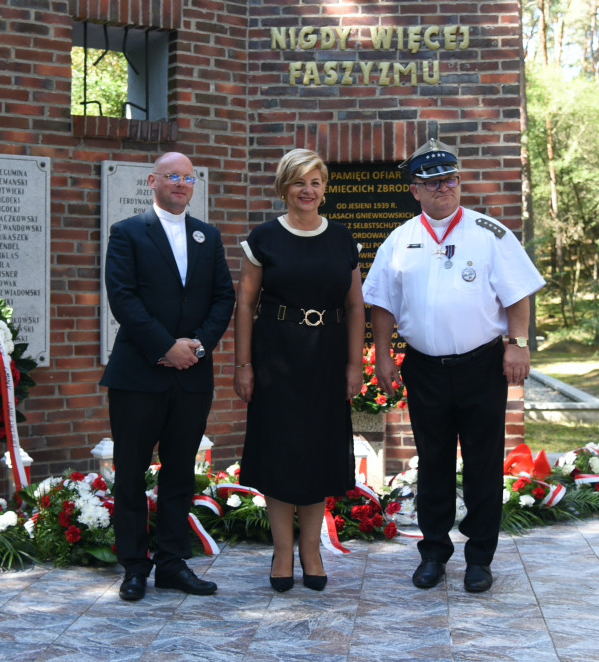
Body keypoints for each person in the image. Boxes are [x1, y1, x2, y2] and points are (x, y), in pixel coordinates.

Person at [362, 138, 545, 593]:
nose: (444, 187)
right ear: (415, 191)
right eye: (433, 182)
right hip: (424, 366)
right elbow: (382, 304)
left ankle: (480, 558)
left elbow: (518, 293)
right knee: (434, 462)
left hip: (482, 365)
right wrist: (383, 354)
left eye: (451, 179)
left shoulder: (490, 233)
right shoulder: (399, 240)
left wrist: (518, 344)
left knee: (484, 462)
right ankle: (434, 553)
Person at [101, 152, 235, 601]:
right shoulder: (128, 233)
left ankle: (173, 564)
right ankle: (135, 566)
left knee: (180, 473)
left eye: (188, 178)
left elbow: (223, 298)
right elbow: (123, 298)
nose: (181, 184)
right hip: (139, 375)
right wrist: (165, 347)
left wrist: (196, 345)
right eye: (172, 176)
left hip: (193, 374)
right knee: (132, 474)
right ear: (153, 181)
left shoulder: (207, 236)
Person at [233, 148, 365, 592]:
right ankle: (283, 550)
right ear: (283, 188)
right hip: (276, 357)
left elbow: (355, 306)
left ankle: (312, 548)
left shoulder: (343, 239)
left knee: (319, 451)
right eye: (298, 182)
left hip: (326, 357)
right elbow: (246, 305)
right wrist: (244, 365)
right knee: (280, 451)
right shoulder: (264, 238)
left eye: (315, 182)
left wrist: (354, 364)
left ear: (324, 188)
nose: (307, 190)